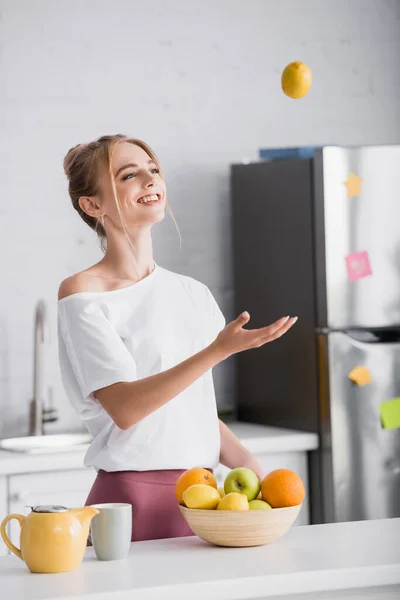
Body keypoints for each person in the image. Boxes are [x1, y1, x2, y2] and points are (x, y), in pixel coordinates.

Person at [57, 134, 297, 542]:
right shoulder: (82, 293)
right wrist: (217, 351)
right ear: (92, 205)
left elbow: (193, 409)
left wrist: (261, 478)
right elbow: (127, 409)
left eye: (153, 170)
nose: (149, 180)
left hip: (207, 498)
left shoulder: (193, 294)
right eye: (129, 174)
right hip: (129, 501)